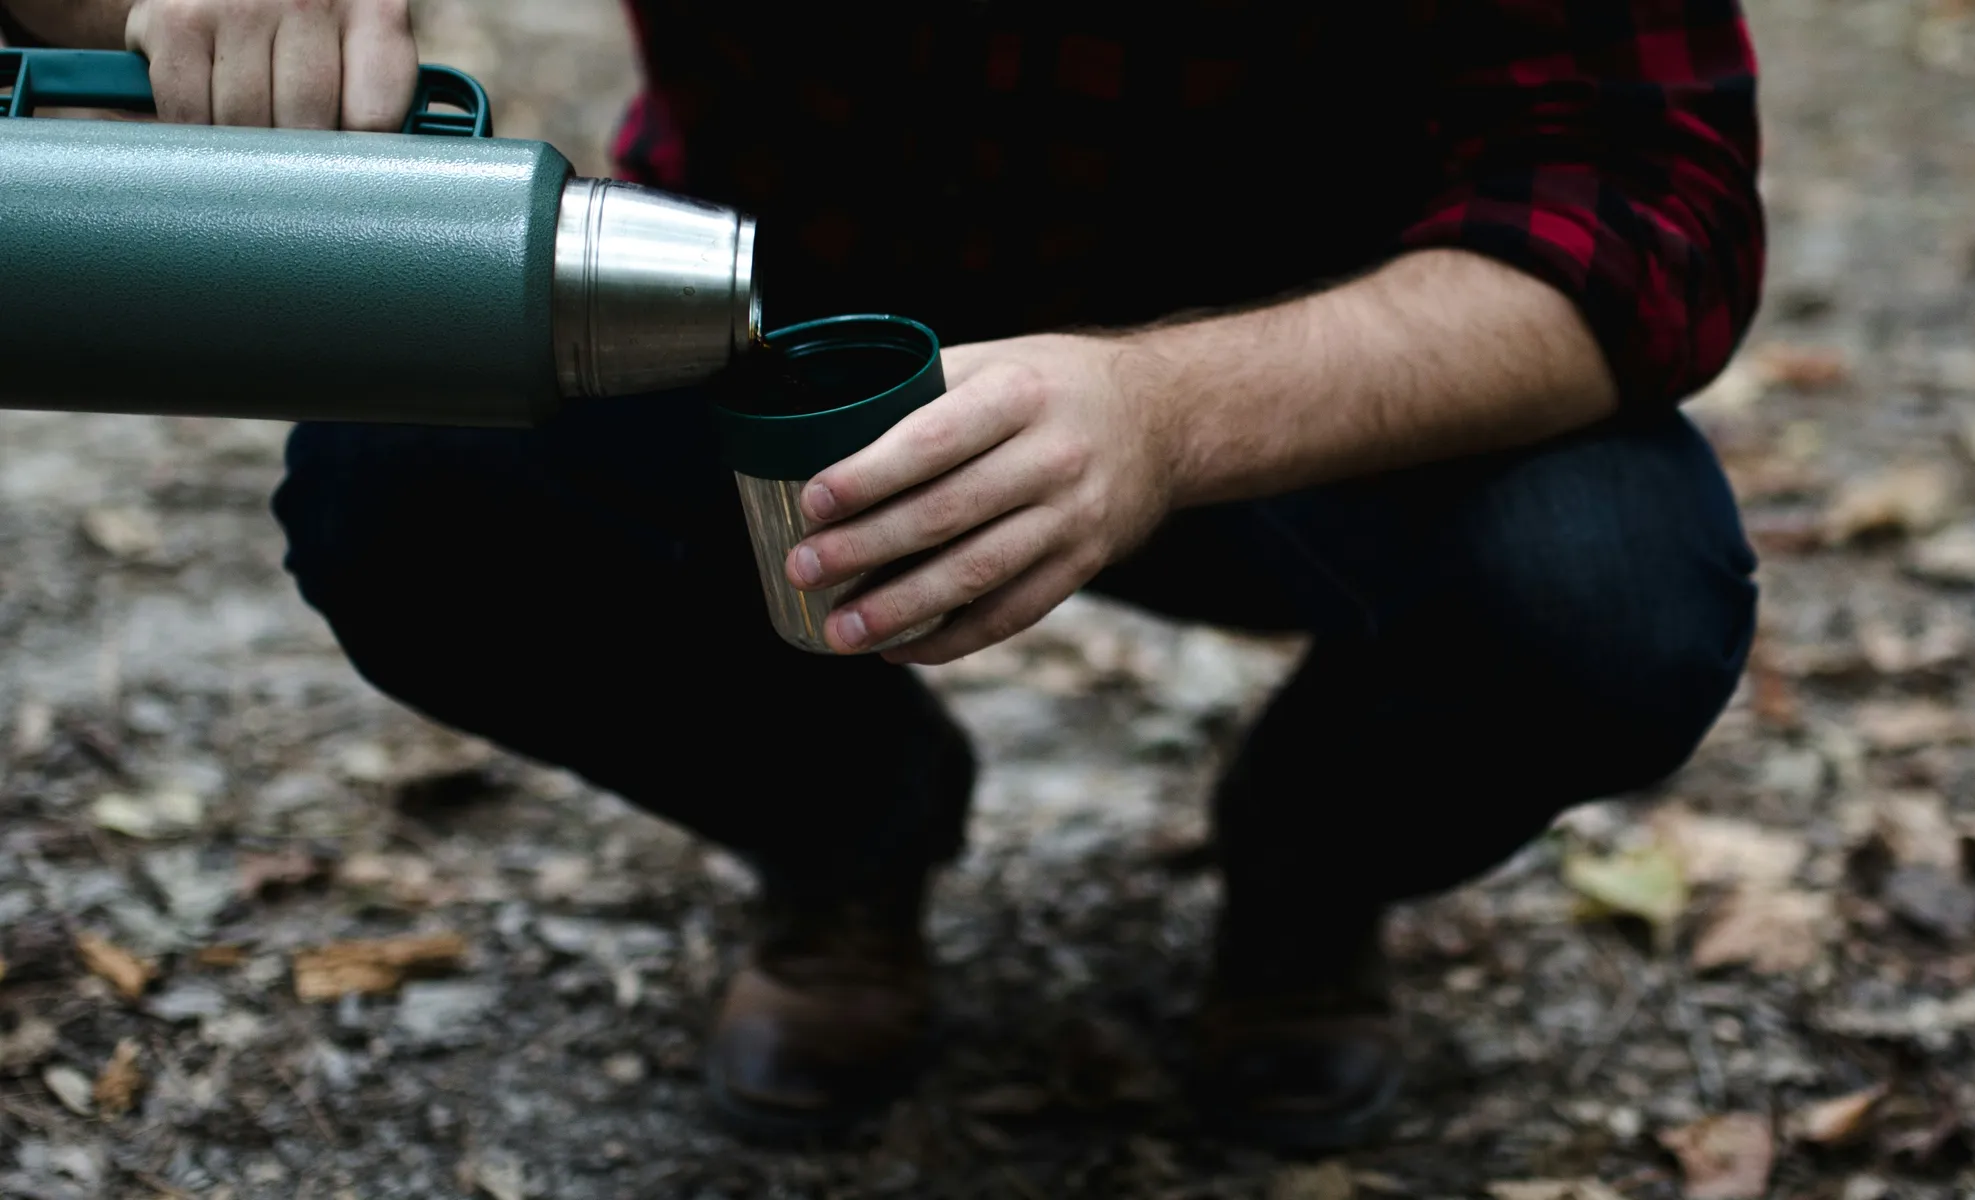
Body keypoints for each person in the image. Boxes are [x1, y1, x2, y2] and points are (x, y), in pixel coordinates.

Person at [3, 0, 1764, 1150]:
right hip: (771, 315)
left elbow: (1654, 213)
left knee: (1609, 598)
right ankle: (847, 834)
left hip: (1315, 372)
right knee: (404, 485)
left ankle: (1309, 874)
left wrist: (1163, 412)